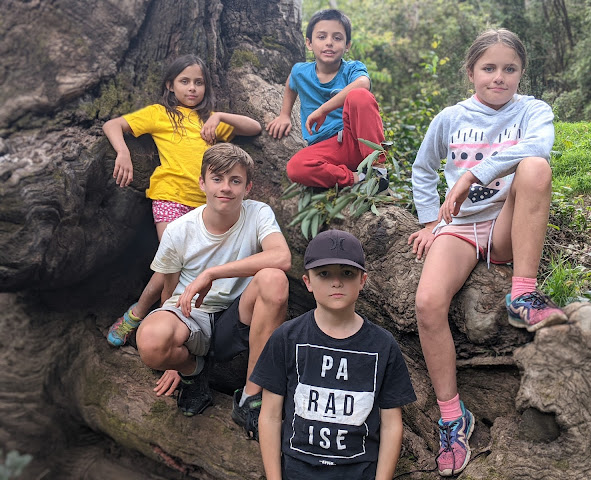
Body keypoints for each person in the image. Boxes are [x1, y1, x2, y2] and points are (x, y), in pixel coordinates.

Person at [408, 29, 568, 476]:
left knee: (535, 167)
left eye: (509, 68)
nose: (499, 77)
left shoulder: (533, 111)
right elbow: (422, 169)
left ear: (521, 73)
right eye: (489, 68)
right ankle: (453, 417)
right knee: (427, 303)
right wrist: (430, 222)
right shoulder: (450, 118)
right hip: (459, 227)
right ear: (471, 72)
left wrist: (471, 175)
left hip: (506, 225)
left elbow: (538, 147)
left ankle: (523, 292)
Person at [102, 54, 262, 349]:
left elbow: (254, 127)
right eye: (184, 81)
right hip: (170, 197)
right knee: (170, 263)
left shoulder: (209, 121)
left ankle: (171, 322)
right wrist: (123, 152)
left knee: (185, 266)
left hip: (204, 207)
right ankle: (137, 315)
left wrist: (220, 116)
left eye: (198, 83)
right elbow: (113, 125)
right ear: (170, 85)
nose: (192, 88)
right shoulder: (159, 114)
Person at [134, 143, 290, 434]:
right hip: (192, 314)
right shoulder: (179, 230)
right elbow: (168, 293)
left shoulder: (258, 213)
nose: (226, 187)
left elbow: (282, 257)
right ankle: (194, 374)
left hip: (237, 317)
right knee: (152, 340)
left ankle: (251, 396)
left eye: (235, 180)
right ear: (202, 183)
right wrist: (173, 360)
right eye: (217, 179)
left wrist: (211, 273)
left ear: (248, 188)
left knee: (274, 278)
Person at [252, 229, 416, 479]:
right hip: (297, 472)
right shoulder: (286, 338)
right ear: (307, 282)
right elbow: (270, 416)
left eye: (347, 273)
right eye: (324, 273)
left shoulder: (383, 345)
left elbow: (391, 425)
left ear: (363, 280)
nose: (336, 282)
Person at [266, 9, 388, 190]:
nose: (329, 42)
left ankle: (378, 170)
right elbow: (291, 83)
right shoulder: (300, 71)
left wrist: (323, 109)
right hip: (327, 148)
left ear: (347, 45)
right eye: (322, 37)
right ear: (309, 43)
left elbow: (363, 84)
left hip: (356, 140)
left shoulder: (352, 69)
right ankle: (356, 177)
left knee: (360, 96)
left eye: (337, 38)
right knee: (296, 167)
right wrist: (285, 114)